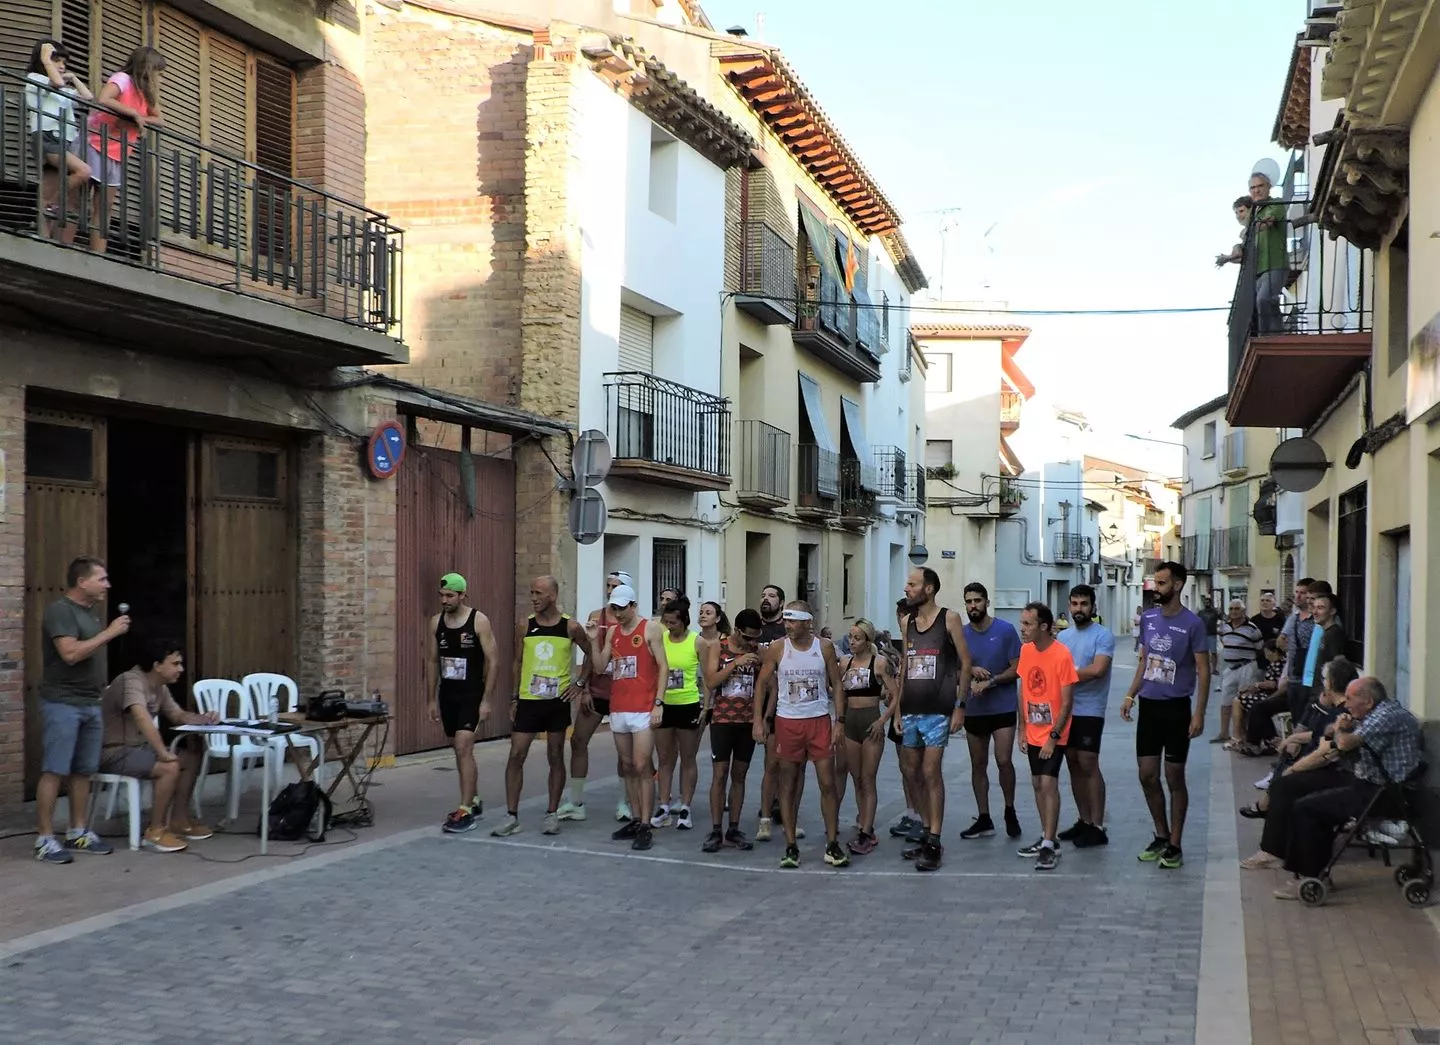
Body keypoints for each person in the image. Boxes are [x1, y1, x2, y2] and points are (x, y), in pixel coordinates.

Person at [1252, 678, 1421, 901]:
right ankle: (1309, 869)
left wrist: (1340, 729)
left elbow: (1343, 744)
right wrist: (1340, 729)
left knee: (1307, 809)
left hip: (1384, 792)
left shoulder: (1385, 715)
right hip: (1371, 784)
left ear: (1368, 701)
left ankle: (1310, 875)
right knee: (1306, 800)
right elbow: (1337, 739)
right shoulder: (1376, 714)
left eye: (1350, 699)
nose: (1346, 704)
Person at [34, 556, 128, 864]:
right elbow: (70, 654)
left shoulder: (91, 613)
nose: (107, 585)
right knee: (55, 769)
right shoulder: (61, 611)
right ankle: (45, 839)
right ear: (81, 582)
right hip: (63, 702)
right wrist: (110, 633)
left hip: (90, 701)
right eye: (101, 579)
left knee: (83, 770)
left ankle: (78, 831)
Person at [1122, 560, 1211, 869]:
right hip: (1149, 706)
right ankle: (1160, 835)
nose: (1155, 588)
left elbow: (1204, 670)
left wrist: (1198, 713)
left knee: (1174, 776)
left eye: (1161, 583)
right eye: (1155, 583)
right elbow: (1145, 661)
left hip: (1176, 708)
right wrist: (1130, 695)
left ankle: (1175, 843)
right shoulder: (1148, 619)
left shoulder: (1193, 624)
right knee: (1147, 774)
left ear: (1177, 585)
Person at [98, 637, 220, 852]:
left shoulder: (160, 687)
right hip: (112, 751)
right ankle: (155, 831)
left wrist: (205, 718)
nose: (180, 669)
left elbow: (178, 715)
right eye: (175, 664)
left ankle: (179, 821)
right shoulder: (130, 681)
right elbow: (143, 719)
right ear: (157, 665)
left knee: (190, 760)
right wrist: (163, 752)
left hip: (136, 751)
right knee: (169, 767)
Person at [491, 576, 591, 838]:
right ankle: (511, 816)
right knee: (516, 755)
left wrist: (579, 683)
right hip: (528, 701)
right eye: (531, 592)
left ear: (553, 596)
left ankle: (551, 812)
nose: (533, 598)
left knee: (556, 756)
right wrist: (514, 697)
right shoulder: (525, 624)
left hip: (556, 702)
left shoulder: (571, 627)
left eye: (539, 593)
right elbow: (516, 662)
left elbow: (591, 653)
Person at [753, 601, 848, 869]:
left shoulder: (824, 647)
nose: (788, 625)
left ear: (808, 622)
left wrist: (839, 721)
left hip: (818, 720)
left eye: (793, 620)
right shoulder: (778, 647)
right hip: (788, 722)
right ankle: (791, 845)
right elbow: (762, 683)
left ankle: (832, 843)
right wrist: (758, 722)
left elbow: (837, 685)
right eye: (786, 620)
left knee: (827, 783)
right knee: (788, 783)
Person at [897, 568, 972, 872]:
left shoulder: (949, 618)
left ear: (928, 589)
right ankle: (927, 832)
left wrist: (960, 706)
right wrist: (898, 711)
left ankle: (935, 841)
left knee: (931, 772)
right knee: (912, 771)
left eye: (912, 584)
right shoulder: (907, 622)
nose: (907, 588)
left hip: (938, 709)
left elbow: (966, 663)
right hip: (911, 708)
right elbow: (904, 666)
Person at [588, 584, 668, 851]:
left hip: (643, 707)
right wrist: (590, 640)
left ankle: (646, 823)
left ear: (633, 606)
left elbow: (663, 666)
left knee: (642, 764)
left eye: (623, 608)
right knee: (626, 764)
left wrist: (658, 703)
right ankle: (635, 818)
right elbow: (600, 667)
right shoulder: (612, 632)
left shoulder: (650, 628)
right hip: (619, 707)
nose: (618, 614)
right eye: (614, 609)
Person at [1237, 656, 1357, 819]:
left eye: (1325, 679)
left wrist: (1293, 743)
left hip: (1332, 764)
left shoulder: (1342, 711)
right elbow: (1316, 731)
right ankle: (1268, 801)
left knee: (1290, 764)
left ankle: (1268, 803)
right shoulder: (1328, 703)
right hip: (1325, 753)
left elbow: (1326, 743)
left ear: (1330, 683)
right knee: (1290, 753)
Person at [426, 572, 498, 834]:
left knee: (463, 745)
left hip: (471, 694)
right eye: (441, 595)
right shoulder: (436, 623)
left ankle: (465, 809)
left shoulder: (478, 621)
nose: (444, 600)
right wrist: (430, 699)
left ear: (462, 595)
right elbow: (432, 661)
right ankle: (474, 798)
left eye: (450, 596)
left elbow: (493, 660)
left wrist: (487, 700)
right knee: (458, 750)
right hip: (448, 694)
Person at [957, 582, 1023, 841]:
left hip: (1003, 707)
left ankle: (1009, 809)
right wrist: (971, 669)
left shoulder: (1005, 631)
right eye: (969, 601)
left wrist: (991, 681)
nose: (973, 606)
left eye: (977, 600)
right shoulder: (961, 635)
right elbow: (957, 666)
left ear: (987, 602)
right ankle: (984, 817)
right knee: (978, 763)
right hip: (974, 710)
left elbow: (1017, 668)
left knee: (1004, 760)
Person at [1015, 602, 1078, 871]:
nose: (1023, 629)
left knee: (1048, 783)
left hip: (1055, 733)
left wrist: (1054, 735)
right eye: (1022, 623)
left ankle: (1050, 845)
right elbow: (1023, 690)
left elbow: (1067, 703)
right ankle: (1046, 835)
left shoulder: (1061, 655)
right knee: (1037, 783)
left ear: (1043, 627)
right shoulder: (1026, 651)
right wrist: (1021, 727)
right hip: (1032, 731)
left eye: (1028, 624)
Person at [86, 45, 166, 254]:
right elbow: (104, 99)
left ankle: (98, 257)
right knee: (78, 198)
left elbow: (159, 119)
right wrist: (132, 113)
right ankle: (64, 244)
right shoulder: (123, 79)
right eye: (158, 73)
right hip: (95, 142)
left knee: (106, 205)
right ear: (147, 69)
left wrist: (137, 119)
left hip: (118, 152)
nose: (161, 79)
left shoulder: (147, 93)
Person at [700, 608, 765, 853]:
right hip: (723, 720)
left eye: (756, 638)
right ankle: (716, 828)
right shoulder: (719, 647)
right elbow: (711, 681)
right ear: (737, 631)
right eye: (748, 637)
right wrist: (735, 663)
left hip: (747, 721)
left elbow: (766, 683)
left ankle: (734, 828)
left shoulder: (757, 651)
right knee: (720, 774)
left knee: (740, 775)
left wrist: (762, 719)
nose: (752, 642)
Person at [1055, 584, 1115, 847]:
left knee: (1088, 763)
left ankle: (1098, 826)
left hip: (1091, 709)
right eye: (1075, 604)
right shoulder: (1063, 638)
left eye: (1084, 604)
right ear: (1069, 606)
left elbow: (1098, 670)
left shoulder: (1103, 635)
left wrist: (1063, 677)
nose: (1079, 609)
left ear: (1093, 607)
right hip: (1066, 710)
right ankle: (1084, 820)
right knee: (1072, 764)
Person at [575, 570, 633, 823]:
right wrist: (584, 687)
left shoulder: (632, 622)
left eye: (616, 586)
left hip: (623, 694)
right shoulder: (596, 617)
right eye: (608, 586)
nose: (610, 591)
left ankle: (624, 801)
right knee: (577, 741)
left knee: (625, 753)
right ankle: (575, 802)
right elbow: (590, 653)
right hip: (597, 690)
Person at [837, 618, 898, 855]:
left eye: (857, 638)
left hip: (870, 720)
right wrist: (839, 721)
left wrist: (883, 720)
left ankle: (866, 831)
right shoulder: (845, 663)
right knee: (856, 777)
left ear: (867, 640)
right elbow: (840, 693)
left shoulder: (879, 663)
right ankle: (864, 821)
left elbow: (895, 693)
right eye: (850, 637)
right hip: (851, 722)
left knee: (868, 778)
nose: (852, 642)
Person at [25, 39, 92, 241]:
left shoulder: (61, 88)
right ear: (44, 61)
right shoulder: (35, 77)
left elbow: (87, 97)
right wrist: (46, 59)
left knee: (48, 188)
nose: (62, 66)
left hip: (62, 140)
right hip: (46, 137)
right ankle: (52, 205)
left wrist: (74, 77)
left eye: (64, 62)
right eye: (58, 61)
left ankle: (44, 236)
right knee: (84, 171)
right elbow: (57, 82)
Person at [652, 597, 705, 831]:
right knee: (664, 758)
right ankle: (664, 805)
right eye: (667, 621)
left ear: (684, 621)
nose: (669, 626)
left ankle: (686, 807)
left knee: (688, 757)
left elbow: (708, 677)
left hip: (688, 704)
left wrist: (707, 705)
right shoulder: (660, 640)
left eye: (673, 622)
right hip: (664, 704)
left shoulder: (697, 641)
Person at [755, 583, 801, 842]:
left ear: (781, 603)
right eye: (763, 595)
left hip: (786, 701)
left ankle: (779, 805)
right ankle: (768, 804)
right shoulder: (755, 628)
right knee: (768, 760)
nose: (766, 599)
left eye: (771, 596)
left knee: (782, 761)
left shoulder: (786, 630)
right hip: (759, 700)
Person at [888, 595, 924, 839]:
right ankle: (911, 813)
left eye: (904, 616)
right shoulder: (900, 645)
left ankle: (924, 818)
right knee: (904, 767)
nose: (900, 620)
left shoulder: (925, 642)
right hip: (899, 711)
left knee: (917, 769)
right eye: (899, 616)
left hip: (920, 712)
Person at [1214, 598, 1263, 745]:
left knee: (1245, 701)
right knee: (1225, 701)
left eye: (1237, 609)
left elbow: (1259, 647)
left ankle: (1244, 734)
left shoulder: (1252, 628)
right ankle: (1224, 733)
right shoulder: (1224, 627)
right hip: (1230, 668)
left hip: (1247, 667)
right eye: (1231, 609)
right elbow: (1224, 642)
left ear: (1243, 611)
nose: (1234, 612)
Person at [1300, 590, 1346, 704]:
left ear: (1332, 611)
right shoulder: (1324, 633)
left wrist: (1327, 694)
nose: (1315, 612)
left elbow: (1335, 668)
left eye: (1320, 608)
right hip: (1316, 692)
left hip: (1324, 697)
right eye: (1314, 607)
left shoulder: (1334, 634)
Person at [1197, 596, 1221, 675]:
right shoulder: (1201, 612)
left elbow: (1222, 618)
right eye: (1206, 602)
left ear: (1211, 603)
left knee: (1213, 652)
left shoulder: (1215, 612)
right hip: (1202, 635)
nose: (1207, 603)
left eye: (1208, 602)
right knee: (1202, 653)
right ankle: (1201, 669)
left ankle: (1214, 669)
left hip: (1212, 635)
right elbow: (1196, 622)